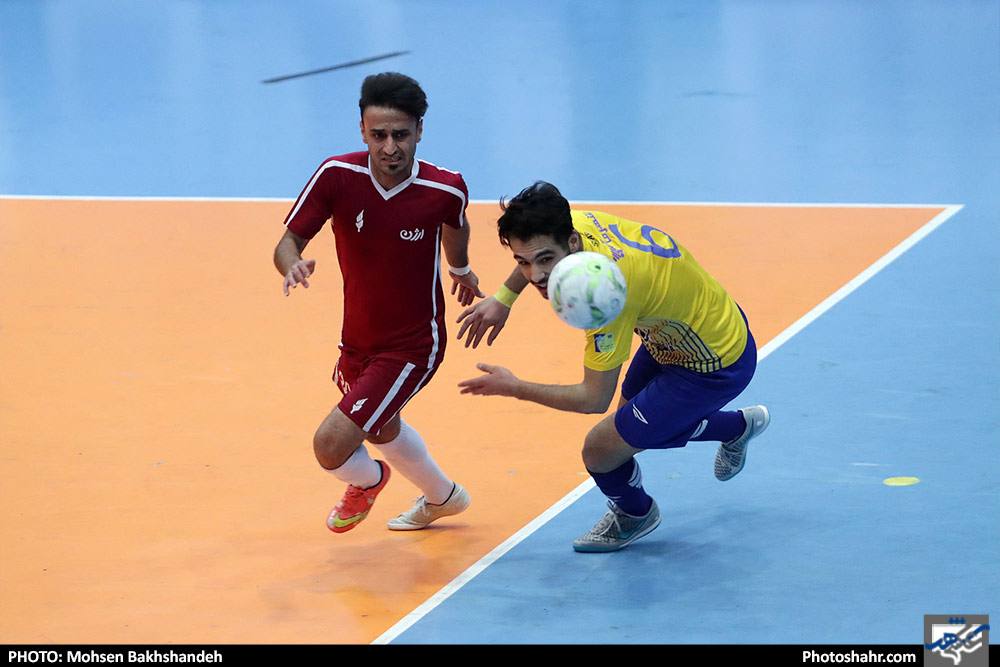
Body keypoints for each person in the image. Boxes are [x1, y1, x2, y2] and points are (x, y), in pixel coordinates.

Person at [457, 181, 769, 552]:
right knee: (629, 429)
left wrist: (514, 387)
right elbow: (535, 252)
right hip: (682, 330)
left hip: (712, 364)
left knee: (602, 450)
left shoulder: (604, 294)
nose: (536, 276)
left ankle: (636, 514)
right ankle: (737, 427)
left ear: (572, 242)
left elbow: (593, 398)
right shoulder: (569, 224)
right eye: (523, 262)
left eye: (545, 260)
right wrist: (504, 298)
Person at [274, 72, 482, 534]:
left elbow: (456, 222)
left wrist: (460, 267)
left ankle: (369, 480)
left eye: (401, 135)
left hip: (413, 345)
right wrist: (291, 264)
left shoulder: (445, 188)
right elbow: (288, 242)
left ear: (420, 131)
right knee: (379, 426)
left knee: (331, 445)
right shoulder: (336, 176)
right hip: (356, 339)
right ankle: (444, 497)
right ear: (362, 131)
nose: (390, 147)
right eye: (378, 135)